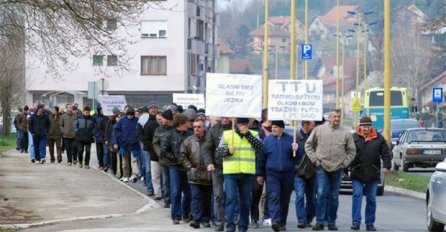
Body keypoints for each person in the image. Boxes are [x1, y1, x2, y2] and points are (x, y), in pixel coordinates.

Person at [305, 108, 356, 231]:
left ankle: (331, 222)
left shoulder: (346, 132)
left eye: (339, 117)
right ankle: (320, 222)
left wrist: (345, 164)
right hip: (322, 166)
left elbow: (352, 151)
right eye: (335, 116)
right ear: (329, 118)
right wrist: (315, 160)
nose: (337, 119)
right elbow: (308, 145)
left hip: (338, 168)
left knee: (334, 196)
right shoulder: (319, 130)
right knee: (321, 193)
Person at [217, 117, 263, 232]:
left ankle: (243, 227)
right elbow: (219, 152)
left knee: (246, 201)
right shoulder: (227, 134)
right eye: (239, 123)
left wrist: (248, 135)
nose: (241, 126)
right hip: (231, 172)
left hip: (247, 173)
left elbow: (260, 147)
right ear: (236, 124)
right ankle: (230, 226)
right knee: (231, 199)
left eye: (243, 124)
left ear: (248, 124)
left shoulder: (254, 134)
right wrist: (228, 151)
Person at [350, 116, 392, 231]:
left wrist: (387, 166)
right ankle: (356, 221)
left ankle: (370, 223)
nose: (366, 128)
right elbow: (347, 153)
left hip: (373, 172)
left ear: (371, 127)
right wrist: (345, 169)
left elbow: (386, 153)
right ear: (360, 126)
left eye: (368, 126)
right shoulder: (353, 138)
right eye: (364, 126)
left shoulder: (379, 138)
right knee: (357, 196)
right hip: (357, 172)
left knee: (371, 198)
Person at [257, 120, 298, 232]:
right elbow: (261, 158)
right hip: (272, 174)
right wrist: (260, 174)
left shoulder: (291, 140)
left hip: (287, 174)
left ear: (282, 128)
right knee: (274, 196)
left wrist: (297, 150)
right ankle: (275, 220)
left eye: (275, 127)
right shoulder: (267, 140)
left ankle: (282, 222)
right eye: (272, 127)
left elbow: (298, 157)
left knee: (285, 198)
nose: (273, 129)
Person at [161, 113, 193, 224]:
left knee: (188, 193)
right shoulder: (169, 135)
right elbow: (164, 150)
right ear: (180, 124)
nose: (188, 125)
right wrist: (175, 159)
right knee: (175, 193)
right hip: (175, 167)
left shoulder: (190, 134)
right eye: (186, 123)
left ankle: (185, 212)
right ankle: (175, 215)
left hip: (187, 167)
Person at [180, 118, 212, 229]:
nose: (196, 129)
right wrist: (189, 168)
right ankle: (196, 219)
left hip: (208, 175)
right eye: (194, 127)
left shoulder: (210, 140)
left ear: (204, 127)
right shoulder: (188, 141)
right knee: (196, 197)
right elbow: (183, 156)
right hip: (194, 175)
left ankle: (206, 218)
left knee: (207, 199)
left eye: (198, 127)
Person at [204, 117, 232, 231]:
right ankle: (220, 222)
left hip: (232, 167)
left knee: (231, 196)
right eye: (223, 116)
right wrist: (209, 162)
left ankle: (232, 220)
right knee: (218, 195)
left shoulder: (236, 129)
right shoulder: (213, 129)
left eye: (227, 116)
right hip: (217, 167)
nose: (225, 119)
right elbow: (207, 149)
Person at [295, 120, 317, 228]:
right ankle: (301, 220)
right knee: (299, 196)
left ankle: (308, 218)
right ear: (306, 125)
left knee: (311, 198)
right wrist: (293, 149)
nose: (315, 126)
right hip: (299, 171)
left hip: (312, 171)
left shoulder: (316, 137)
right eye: (313, 124)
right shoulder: (296, 137)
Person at [153, 109, 175, 206]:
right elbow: (155, 143)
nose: (161, 120)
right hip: (164, 160)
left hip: (175, 160)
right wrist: (160, 153)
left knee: (174, 182)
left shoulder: (175, 128)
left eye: (164, 118)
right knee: (166, 182)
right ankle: (167, 200)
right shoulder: (159, 129)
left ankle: (175, 200)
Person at [114, 107, 141, 182]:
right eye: (128, 115)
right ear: (126, 114)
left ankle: (134, 175)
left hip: (134, 144)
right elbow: (117, 130)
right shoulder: (122, 120)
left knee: (134, 160)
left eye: (131, 115)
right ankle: (125, 175)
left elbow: (139, 131)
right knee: (124, 161)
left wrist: (136, 139)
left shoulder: (137, 121)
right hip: (124, 144)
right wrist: (120, 138)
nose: (130, 116)